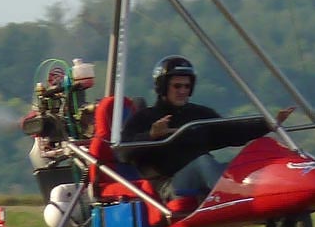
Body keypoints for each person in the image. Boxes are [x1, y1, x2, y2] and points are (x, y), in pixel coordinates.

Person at [120, 55, 294, 202]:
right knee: (203, 162)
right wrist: (151, 135)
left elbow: (233, 132)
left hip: (205, 179)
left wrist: (267, 124)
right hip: (168, 186)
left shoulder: (199, 114)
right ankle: (234, 197)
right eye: (177, 86)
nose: (182, 91)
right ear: (163, 87)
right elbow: (122, 153)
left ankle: (281, 193)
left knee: (245, 163)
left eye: (187, 86)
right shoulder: (145, 117)